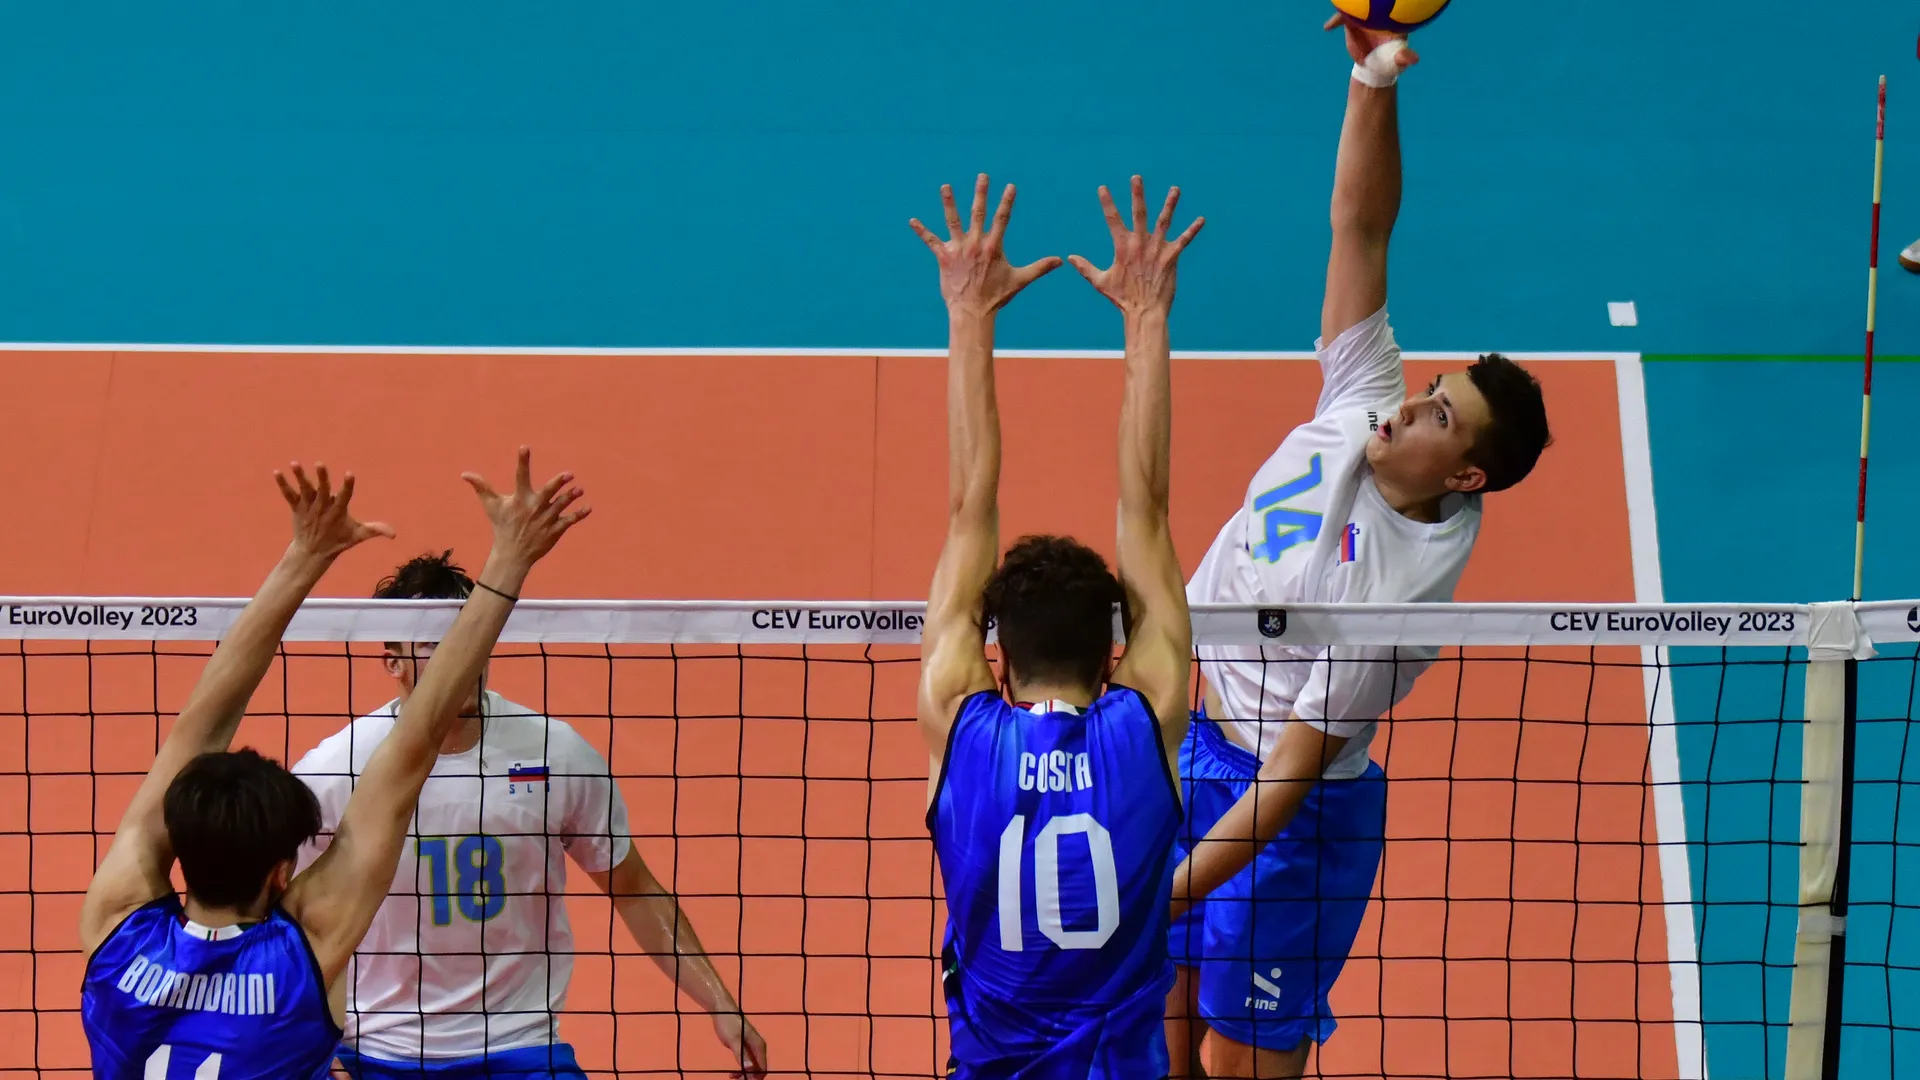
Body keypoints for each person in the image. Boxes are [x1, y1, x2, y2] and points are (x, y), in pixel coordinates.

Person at [1163, 18, 1554, 1080]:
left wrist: (1162, 889)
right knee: (1158, 1033)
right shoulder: (1364, 399)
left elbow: (1292, 774)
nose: (1410, 406)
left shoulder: (1391, 598)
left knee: (1238, 1065)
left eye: (1441, 417)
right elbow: (1362, 230)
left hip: (1291, 819)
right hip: (1199, 747)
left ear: (1464, 476)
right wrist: (1372, 80)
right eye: (1430, 389)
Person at [78, 449, 591, 1080]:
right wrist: (509, 559)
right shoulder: (302, 955)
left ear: (176, 841)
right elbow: (412, 748)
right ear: (282, 872)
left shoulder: (116, 927)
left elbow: (195, 734)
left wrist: (304, 558)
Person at [911, 172, 1202, 1079]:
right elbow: (1147, 510)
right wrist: (1146, 316)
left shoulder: (960, 723)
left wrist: (969, 314)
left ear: (994, 652)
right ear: (1117, 650)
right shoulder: (1146, 720)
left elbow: (968, 511)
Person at [291, 551, 767, 1080]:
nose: (459, 659)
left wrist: (720, 1002)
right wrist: (309, 1048)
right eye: (433, 646)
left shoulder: (553, 752)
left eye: (468, 636)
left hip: (520, 1048)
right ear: (393, 661)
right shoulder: (334, 770)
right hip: (377, 1052)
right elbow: (286, 923)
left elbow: (633, 888)